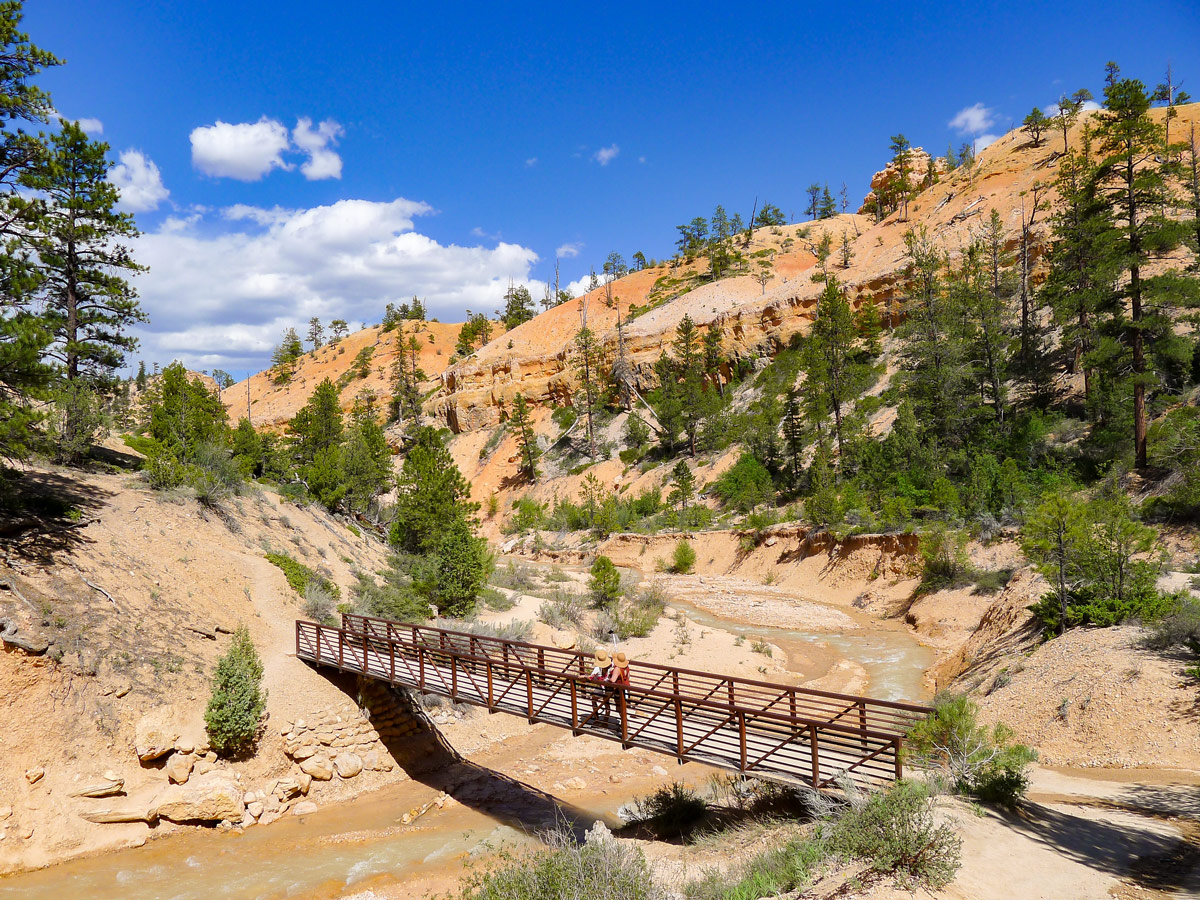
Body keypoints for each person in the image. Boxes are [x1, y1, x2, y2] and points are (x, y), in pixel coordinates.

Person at [605, 651, 631, 729]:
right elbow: (628, 677)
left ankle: (625, 725)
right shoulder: (627, 667)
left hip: (619, 691)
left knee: (620, 708)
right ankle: (626, 724)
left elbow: (613, 680)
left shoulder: (617, 669)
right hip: (626, 689)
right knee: (623, 707)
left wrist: (607, 680)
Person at [588, 648, 613, 724]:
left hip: (600, 687)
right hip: (609, 688)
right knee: (607, 704)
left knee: (593, 699)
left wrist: (583, 677)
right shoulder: (611, 667)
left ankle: (597, 718)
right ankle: (605, 722)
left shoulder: (597, 668)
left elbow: (590, 677)